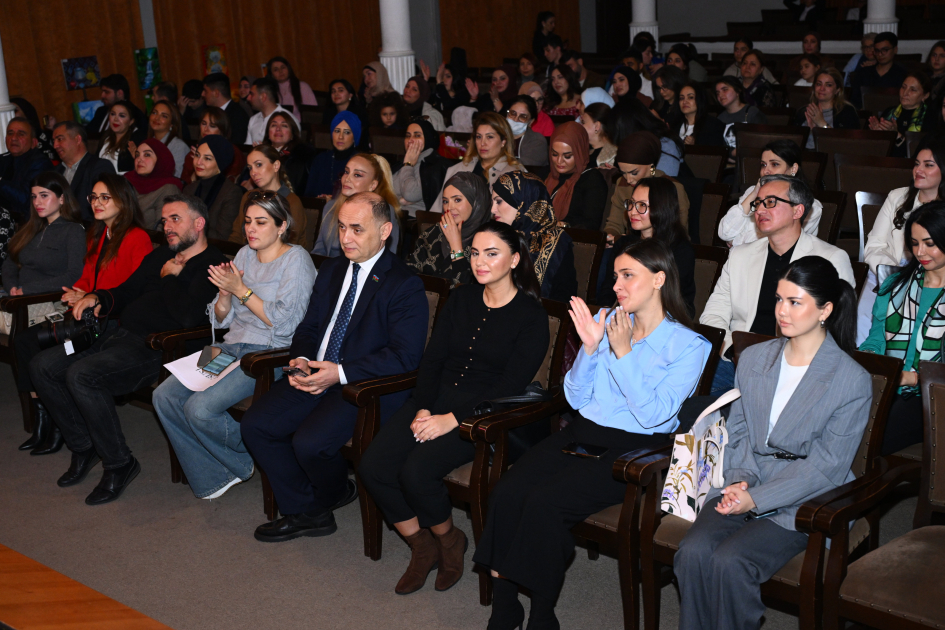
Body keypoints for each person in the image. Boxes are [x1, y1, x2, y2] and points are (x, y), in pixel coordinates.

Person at [475, 237, 711, 630]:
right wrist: (588, 349)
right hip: (584, 431)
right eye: (615, 275)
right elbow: (574, 397)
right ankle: (505, 605)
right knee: (508, 490)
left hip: (635, 451)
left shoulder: (689, 345)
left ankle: (541, 612)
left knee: (544, 504)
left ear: (658, 280)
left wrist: (623, 354)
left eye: (628, 276)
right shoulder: (610, 321)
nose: (617, 285)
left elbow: (655, 415)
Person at [677, 256, 871, 630]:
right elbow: (742, 430)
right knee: (693, 551)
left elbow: (826, 465)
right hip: (749, 477)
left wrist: (758, 499)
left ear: (825, 310)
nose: (782, 311)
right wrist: (740, 480)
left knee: (730, 562)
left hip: (808, 496)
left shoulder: (851, 380)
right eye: (779, 299)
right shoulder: (753, 358)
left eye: (795, 302)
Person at [360, 220, 549, 595]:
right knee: (374, 466)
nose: (480, 261)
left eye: (491, 254)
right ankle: (422, 545)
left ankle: (450, 540)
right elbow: (433, 360)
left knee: (416, 472)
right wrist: (423, 407)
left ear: (514, 259)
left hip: (484, 416)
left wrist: (453, 420)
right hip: (435, 400)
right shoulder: (461, 297)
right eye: (475, 252)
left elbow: (509, 386)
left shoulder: (531, 316)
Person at [240, 191, 427, 540]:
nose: (345, 238)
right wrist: (300, 358)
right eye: (341, 227)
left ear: (385, 231)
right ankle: (308, 511)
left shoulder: (404, 283)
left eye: (357, 229)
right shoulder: (333, 267)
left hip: (360, 387)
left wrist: (339, 373)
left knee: (310, 444)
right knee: (256, 425)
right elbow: (310, 326)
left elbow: (405, 356)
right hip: (315, 372)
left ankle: (329, 493)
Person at [30, 193, 228, 504]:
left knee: (83, 376)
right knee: (43, 366)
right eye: (164, 221)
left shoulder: (213, 264)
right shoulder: (161, 254)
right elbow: (128, 290)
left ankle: (120, 463)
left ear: (199, 223)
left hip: (158, 349)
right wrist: (99, 297)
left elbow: (190, 318)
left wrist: (170, 278)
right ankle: (84, 446)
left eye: (175, 219)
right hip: (118, 336)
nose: (167, 226)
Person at [154, 191, 317, 499]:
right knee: (164, 396)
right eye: (247, 222)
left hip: (267, 354)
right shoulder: (243, 254)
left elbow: (285, 324)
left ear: (282, 226)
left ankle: (243, 456)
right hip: (227, 348)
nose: (250, 229)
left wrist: (240, 290)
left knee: (199, 409)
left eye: (260, 222)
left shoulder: (296, 260)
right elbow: (220, 318)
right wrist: (225, 297)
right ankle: (219, 470)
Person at [12, 174, 152, 454]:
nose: (96, 203)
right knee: (32, 347)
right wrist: (79, 291)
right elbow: (88, 276)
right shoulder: (100, 234)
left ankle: (69, 433)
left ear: (123, 202)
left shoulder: (137, 238)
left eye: (104, 197)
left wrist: (91, 296)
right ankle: (56, 425)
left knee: (50, 360)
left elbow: (134, 289)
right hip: (90, 319)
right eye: (93, 197)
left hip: (113, 323)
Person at [700, 174, 854, 394]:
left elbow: (837, 327)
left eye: (770, 202)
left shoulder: (830, 258)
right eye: (758, 203)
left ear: (797, 211)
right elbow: (713, 316)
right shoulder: (740, 256)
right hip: (737, 361)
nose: (760, 210)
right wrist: (734, 350)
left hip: (796, 367)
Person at [860, 202, 945, 455]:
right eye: (914, 242)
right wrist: (872, 363)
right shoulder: (896, 285)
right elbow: (875, 340)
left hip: (933, 398)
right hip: (888, 385)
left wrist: (915, 378)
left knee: (871, 434)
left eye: (930, 243)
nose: (921, 252)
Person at [857, 135, 945, 342]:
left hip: (935, 280)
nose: (918, 170)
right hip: (888, 275)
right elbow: (874, 246)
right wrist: (895, 275)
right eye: (916, 164)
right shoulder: (898, 196)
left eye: (928, 165)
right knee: (868, 322)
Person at [2, 173, 85, 342]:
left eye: (44, 196)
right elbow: (9, 262)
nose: (37, 202)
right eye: (34, 197)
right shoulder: (32, 228)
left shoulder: (73, 231)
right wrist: (12, 286)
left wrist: (27, 291)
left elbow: (74, 275)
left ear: (62, 198)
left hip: (46, 302)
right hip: (17, 299)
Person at [602, 177, 696, 315]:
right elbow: (608, 290)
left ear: (662, 208)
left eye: (642, 205)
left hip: (666, 321)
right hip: (622, 317)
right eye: (632, 203)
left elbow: (672, 301)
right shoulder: (624, 244)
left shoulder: (680, 250)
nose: (633, 211)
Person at [491, 171, 577, 302]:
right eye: (492, 202)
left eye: (499, 202)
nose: (493, 209)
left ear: (523, 201)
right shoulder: (493, 235)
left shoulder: (555, 242)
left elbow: (563, 300)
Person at [719, 140, 824, 247]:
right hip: (738, 260)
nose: (766, 171)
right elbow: (725, 233)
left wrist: (736, 242)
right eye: (763, 165)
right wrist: (754, 193)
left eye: (775, 164)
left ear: (793, 168)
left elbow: (771, 245)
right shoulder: (752, 192)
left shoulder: (810, 207)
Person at [405, 172, 491, 286]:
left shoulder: (488, 240)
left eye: (457, 200)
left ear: (475, 202)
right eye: (445, 201)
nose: (449, 208)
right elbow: (408, 273)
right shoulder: (433, 233)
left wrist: (455, 246)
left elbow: (466, 289)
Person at [604, 131, 690, 242]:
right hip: (629, 246)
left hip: (663, 251)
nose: (629, 179)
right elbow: (614, 224)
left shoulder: (673, 188)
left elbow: (678, 234)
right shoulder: (623, 184)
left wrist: (624, 240)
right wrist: (608, 238)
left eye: (634, 173)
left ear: (651, 167)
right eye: (623, 173)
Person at [312, 153, 402, 257]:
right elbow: (319, 251)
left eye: (357, 175)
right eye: (346, 172)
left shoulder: (383, 211)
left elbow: (388, 256)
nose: (347, 179)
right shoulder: (330, 207)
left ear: (372, 185)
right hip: (331, 270)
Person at [230, 145, 308, 247]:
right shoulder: (248, 197)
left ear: (276, 165)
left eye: (258, 165)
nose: (253, 173)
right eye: (250, 168)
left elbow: (289, 244)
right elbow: (237, 236)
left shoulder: (292, 202)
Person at [439, 113, 524, 199]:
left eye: (490, 137)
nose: (482, 143)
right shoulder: (456, 169)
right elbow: (437, 209)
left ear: (503, 141)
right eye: (479, 137)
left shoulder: (516, 174)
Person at [545, 121, 608, 230]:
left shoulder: (591, 180)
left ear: (580, 153)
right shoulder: (545, 174)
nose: (559, 161)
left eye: (567, 156)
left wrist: (564, 225)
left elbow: (591, 224)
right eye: (554, 154)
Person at [52, 121, 116, 221]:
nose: (55, 145)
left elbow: (105, 206)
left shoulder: (99, 166)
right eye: (54, 141)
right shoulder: (55, 172)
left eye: (60, 139)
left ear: (77, 139)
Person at [183, 136, 243, 241]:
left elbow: (222, 236)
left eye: (207, 158)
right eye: (197, 155)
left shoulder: (231, 192)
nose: (198, 162)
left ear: (220, 164)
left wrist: (190, 225)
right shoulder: (189, 189)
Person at [1, 117, 55, 222]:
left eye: (21, 134)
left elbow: (26, 199)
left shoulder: (40, 163)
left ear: (34, 142)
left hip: (28, 224)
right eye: (10, 133)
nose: (14, 138)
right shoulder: (4, 159)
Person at [392, 121, 451, 216]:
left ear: (428, 138)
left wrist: (408, 165)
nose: (410, 140)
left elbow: (410, 194)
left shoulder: (435, 165)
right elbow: (382, 192)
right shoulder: (400, 163)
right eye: (407, 136)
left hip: (413, 222)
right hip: (391, 215)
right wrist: (400, 201)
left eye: (417, 135)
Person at [868, 72, 934, 157]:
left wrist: (897, 135)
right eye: (903, 87)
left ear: (925, 95)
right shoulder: (889, 112)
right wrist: (877, 135)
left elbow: (921, 153)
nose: (905, 93)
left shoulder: (930, 117)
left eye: (913, 90)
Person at [124, 138, 184, 229]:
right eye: (137, 155)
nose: (139, 159)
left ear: (160, 159)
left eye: (147, 155)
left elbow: (162, 231)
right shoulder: (127, 180)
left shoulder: (168, 188)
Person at [794, 68, 861, 148]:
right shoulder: (802, 111)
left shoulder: (846, 111)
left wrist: (822, 123)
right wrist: (810, 131)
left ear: (837, 90)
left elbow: (848, 145)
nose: (822, 89)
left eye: (828, 85)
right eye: (819, 84)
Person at [303, 111, 361, 197]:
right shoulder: (320, 159)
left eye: (347, 132)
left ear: (354, 137)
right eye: (337, 131)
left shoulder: (361, 163)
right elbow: (309, 195)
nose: (340, 137)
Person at [180, 107, 244, 184]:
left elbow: (229, 185)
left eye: (212, 126)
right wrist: (196, 165)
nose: (206, 129)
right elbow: (184, 185)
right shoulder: (193, 153)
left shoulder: (233, 153)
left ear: (222, 130)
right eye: (203, 124)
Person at [260, 111, 316, 194]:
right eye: (274, 125)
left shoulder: (300, 157)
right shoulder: (259, 153)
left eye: (284, 126)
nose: (278, 129)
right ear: (268, 134)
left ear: (292, 135)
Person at [851, 31, 909, 108]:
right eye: (877, 51)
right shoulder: (863, 73)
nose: (880, 54)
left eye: (885, 50)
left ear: (895, 49)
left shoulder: (902, 75)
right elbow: (854, 102)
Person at [715, 77, 769, 153]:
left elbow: (762, 141)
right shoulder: (719, 119)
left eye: (725, 89)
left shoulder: (752, 113)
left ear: (738, 91)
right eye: (717, 92)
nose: (720, 95)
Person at [202, 72, 250, 151]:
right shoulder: (208, 112)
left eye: (205, 91)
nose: (202, 94)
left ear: (216, 93)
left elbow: (237, 146)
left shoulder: (237, 115)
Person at [97, 101, 145, 175]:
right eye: (112, 114)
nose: (115, 119)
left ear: (131, 121)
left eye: (122, 116)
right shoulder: (105, 137)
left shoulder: (137, 140)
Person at [676, 81, 726, 147]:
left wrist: (695, 145)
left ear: (700, 99)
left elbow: (715, 154)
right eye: (681, 98)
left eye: (690, 97)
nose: (685, 102)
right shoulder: (674, 123)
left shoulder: (713, 125)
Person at [146, 101, 189, 178]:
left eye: (164, 116)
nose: (157, 118)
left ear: (172, 124)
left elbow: (176, 176)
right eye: (154, 113)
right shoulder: (147, 143)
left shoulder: (179, 146)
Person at [245, 77, 291, 145]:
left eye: (252, 94)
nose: (248, 98)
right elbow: (247, 147)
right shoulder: (253, 119)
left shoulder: (288, 119)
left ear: (263, 97)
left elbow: (289, 151)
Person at [10, 97, 57, 164]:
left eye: (15, 111)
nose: (10, 114)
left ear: (26, 112)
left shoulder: (47, 136)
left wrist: (54, 130)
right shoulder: (10, 140)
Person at [507, 96, 549, 166]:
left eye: (523, 116)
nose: (516, 119)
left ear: (531, 122)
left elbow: (526, 166)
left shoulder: (537, 141)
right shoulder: (497, 136)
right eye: (513, 113)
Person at [581, 102, 617, 167]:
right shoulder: (580, 147)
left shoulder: (613, 155)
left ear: (597, 126)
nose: (580, 126)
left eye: (583, 122)